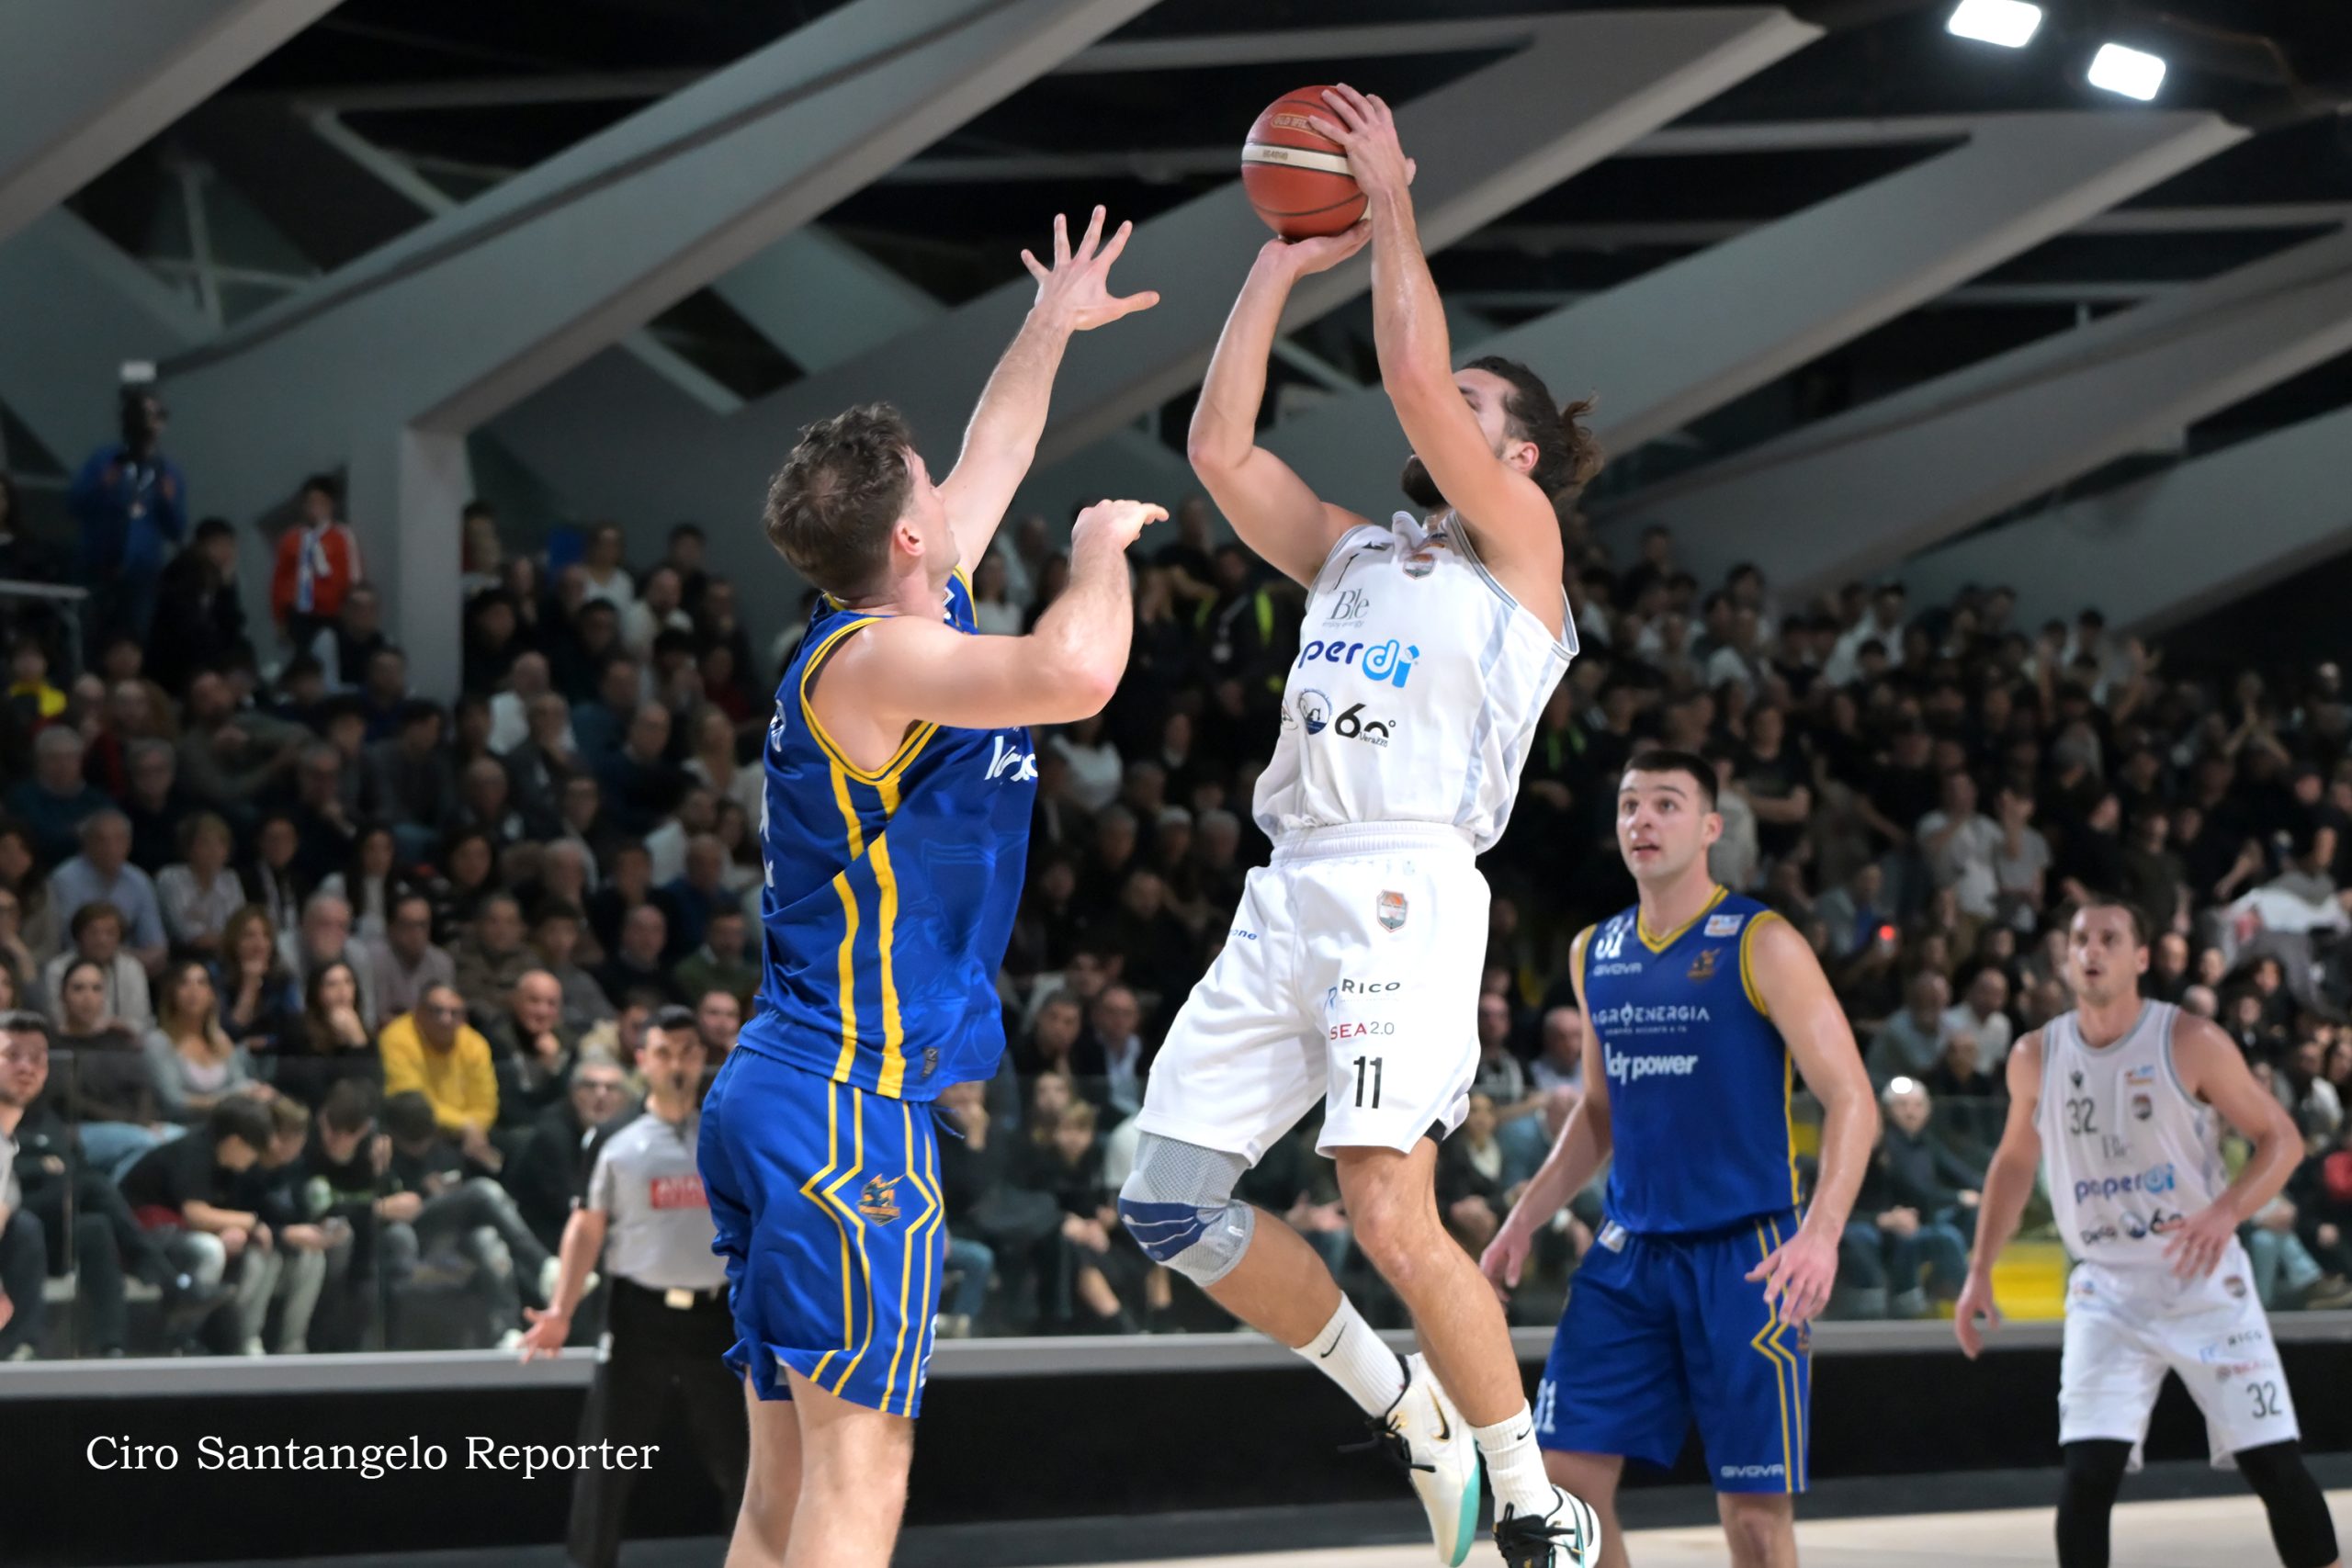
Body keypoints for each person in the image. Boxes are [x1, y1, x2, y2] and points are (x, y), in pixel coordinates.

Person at [1121, 89, 1600, 1566]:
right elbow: (1217, 446)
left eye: (1478, 403)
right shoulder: (1351, 552)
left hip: (1407, 884)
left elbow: (1407, 370)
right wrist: (1280, 258)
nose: (1450, 402)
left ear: (1517, 458)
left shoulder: (1522, 556)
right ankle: (1407, 1409)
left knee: (1390, 1211)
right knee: (1165, 1202)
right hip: (1291, 888)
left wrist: (1390, 198)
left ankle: (1534, 1497)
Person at [696, 205, 1158, 1568]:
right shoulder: (877, 661)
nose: (952, 495)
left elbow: (996, 446)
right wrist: (1099, 552)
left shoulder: (911, 614)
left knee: (783, 1481)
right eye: (928, 491)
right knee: (862, 1466)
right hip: (845, 1100)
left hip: (790, 1087)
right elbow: (1077, 673)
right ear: (908, 539)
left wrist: (1050, 323)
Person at [1480, 750, 1879, 1568]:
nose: (1643, 820)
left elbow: (1853, 1097)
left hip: (1749, 1254)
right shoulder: (1594, 950)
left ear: (1710, 828)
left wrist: (1821, 1233)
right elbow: (1599, 1112)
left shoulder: (1763, 942)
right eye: (1630, 804)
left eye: (1666, 803)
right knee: (1561, 1487)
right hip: (1629, 1254)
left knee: (1755, 1521)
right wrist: (1524, 1217)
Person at [1955, 899, 2343, 1568]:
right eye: (2080, 938)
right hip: (2107, 1288)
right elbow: (2014, 1162)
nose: (2091, 950)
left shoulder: (2190, 1039)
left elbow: (2281, 1138)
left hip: (2203, 1279)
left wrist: (2226, 1210)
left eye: (2109, 938)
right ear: (2065, 956)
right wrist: (1979, 1268)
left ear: (2140, 957)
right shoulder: (2035, 1055)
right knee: (2087, 1474)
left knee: (2274, 1464)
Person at [523, 1009, 744, 1568]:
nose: (676, 1064)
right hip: (638, 1313)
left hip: (717, 1316)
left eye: (687, 1051)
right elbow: (586, 1227)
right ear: (642, 1060)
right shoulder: (613, 1139)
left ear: (702, 1057)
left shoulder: (727, 1133)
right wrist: (560, 1310)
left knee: (743, 1455)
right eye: (664, 1053)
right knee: (607, 1456)